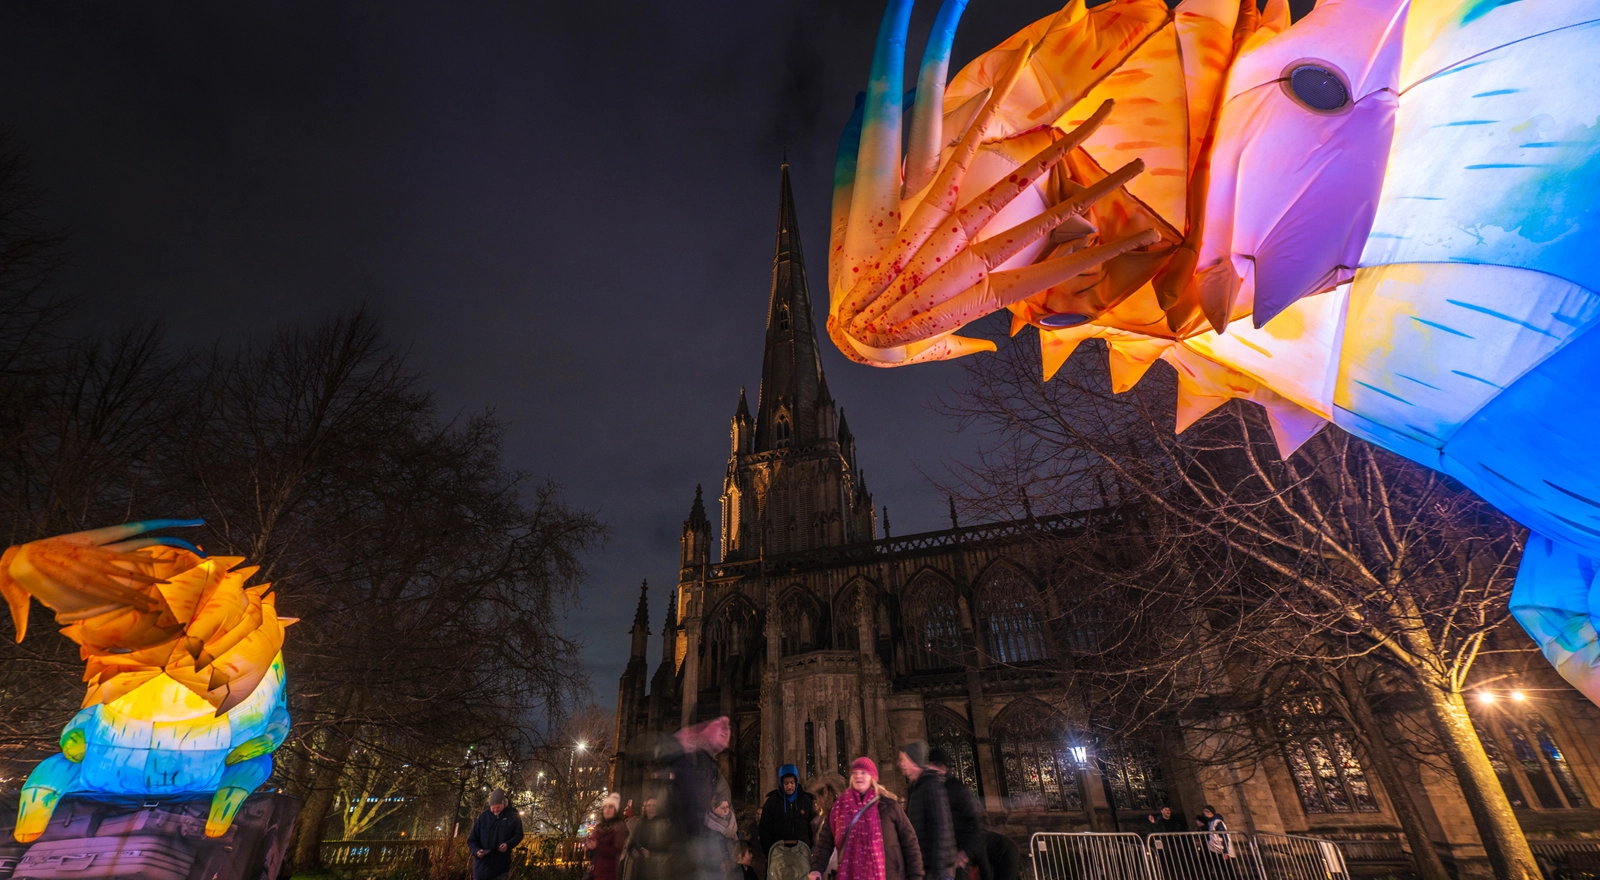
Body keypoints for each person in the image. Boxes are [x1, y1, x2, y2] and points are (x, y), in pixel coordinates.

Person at [809, 757, 923, 880]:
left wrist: (915, 876)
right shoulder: (838, 809)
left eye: (864, 772)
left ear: (872, 777)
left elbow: (909, 842)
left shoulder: (888, 806)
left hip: (888, 875)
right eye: (855, 773)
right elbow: (825, 842)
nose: (859, 776)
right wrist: (816, 868)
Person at [669, 716, 734, 880]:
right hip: (694, 838)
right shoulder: (694, 763)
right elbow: (689, 803)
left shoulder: (708, 765)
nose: (726, 740)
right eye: (722, 734)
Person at [898, 743, 955, 880]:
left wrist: (935, 871)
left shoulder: (930, 785)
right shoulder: (918, 787)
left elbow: (941, 828)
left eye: (903, 759)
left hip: (937, 870)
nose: (900, 764)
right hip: (927, 867)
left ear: (913, 761)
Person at [925, 748, 983, 880]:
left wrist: (965, 853)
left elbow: (979, 824)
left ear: (941, 766)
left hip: (955, 860)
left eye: (931, 766)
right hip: (936, 860)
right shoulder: (931, 788)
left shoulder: (958, 789)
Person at [759, 764, 818, 855]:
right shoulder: (772, 802)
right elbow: (764, 829)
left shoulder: (806, 800)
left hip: (803, 853)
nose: (789, 786)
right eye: (786, 783)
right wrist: (769, 853)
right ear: (781, 783)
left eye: (792, 783)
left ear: (796, 782)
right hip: (779, 853)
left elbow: (814, 827)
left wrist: (812, 849)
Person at [467, 789, 525, 880]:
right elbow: (472, 839)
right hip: (481, 868)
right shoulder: (483, 817)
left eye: (498, 807)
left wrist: (508, 845)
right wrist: (476, 851)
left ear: (503, 804)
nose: (495, 810)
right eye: (493, 807)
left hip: (500, 867)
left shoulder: (513, 815)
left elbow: (518, 835)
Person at [625, 796, 674, 880]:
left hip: (655, 871)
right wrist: (633, 850)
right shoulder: (640, 823)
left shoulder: (664, 825)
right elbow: (632, 842)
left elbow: (668, 851)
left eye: (654, 806)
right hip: (639, 868)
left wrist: (650, 854)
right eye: (648, 805)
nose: (651, 808)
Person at [586, 793, 631, 880]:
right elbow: (592, 852)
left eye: (611, 807)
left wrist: (597, 846)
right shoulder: (599, 827)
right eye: (605, 807)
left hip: (609, 872)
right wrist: (589, 847)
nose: (607, 809)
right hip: (596, 871)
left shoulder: (619, 826)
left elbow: (617, 850)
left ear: (616, 810)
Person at [1198, 805, 1236, 878]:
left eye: (1205, 812)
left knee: (1230, 870)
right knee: (1220, 869)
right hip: (1216, 850)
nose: (1204, 814)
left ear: (1208, 812)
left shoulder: (1217, 822)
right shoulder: (1210, 822)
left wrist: (1226, 852)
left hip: (1223, 849)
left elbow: (1224, 837)